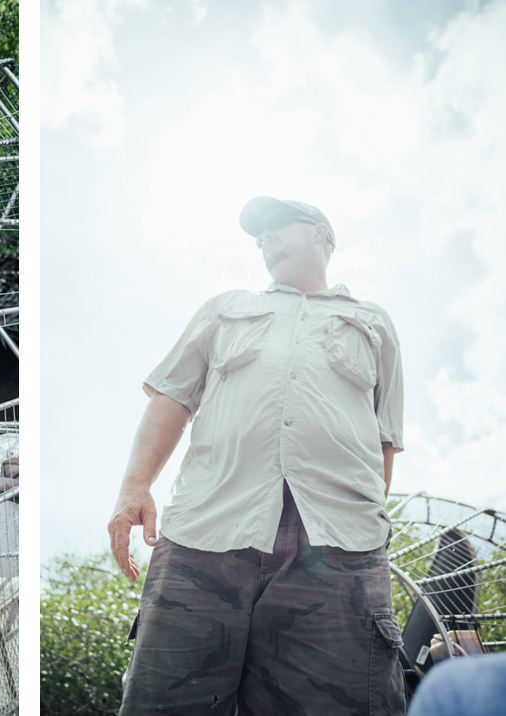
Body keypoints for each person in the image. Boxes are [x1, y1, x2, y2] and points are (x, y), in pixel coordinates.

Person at [107, 196, 406, 715]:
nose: (264, 239)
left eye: (275, 227)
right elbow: (172, 395)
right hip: (206, 532)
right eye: (258, 234)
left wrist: (359, 524)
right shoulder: (226, 307)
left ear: (320, 233)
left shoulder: (373, 322)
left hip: (338, 551)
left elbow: (384, 438)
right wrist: (134, 487)